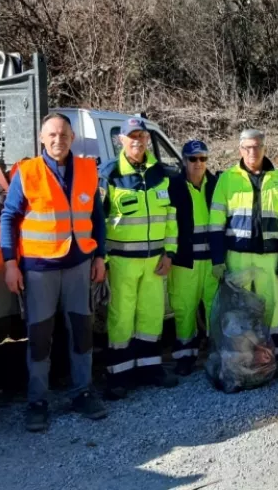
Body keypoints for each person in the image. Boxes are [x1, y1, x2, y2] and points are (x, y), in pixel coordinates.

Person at [0, 113, 107, 432]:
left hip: (79, 265)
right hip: (39, 269)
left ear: (73, 137)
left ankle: (83, 392)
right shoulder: (28, 172)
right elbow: (8, 217)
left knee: (82, 332)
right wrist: (9, 263)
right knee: (40, 337)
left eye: (64, 134)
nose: (58, 139)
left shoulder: (88, 170)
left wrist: (99, 256)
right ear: (42, 139)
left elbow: (97, 217)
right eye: (52, 135)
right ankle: (37, 402)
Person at [100, 118, 180, 399]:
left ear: (147, 139)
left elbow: (170, 216)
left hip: (155, 262)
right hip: (122, 262)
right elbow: (97, 220)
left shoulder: (160, 173)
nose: (137, 140)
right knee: (121, 318)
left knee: (151, 315)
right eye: (131, 136)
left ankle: (150, 368)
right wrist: (103, 260)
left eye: (141, 135)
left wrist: (170, 253)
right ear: (120, 140)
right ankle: (118, 376)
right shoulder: (110, 174)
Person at [209, 129, 278, 377]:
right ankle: (242, 362)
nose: (252, 152)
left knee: (271, 308)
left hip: (269, 257)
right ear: (240, 150)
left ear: (264, 148)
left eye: (256, 146)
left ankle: (274, 359)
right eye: (247, 147)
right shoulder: (227, 179)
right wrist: (218, 259)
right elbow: (215, 223)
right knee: (240, 311)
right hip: (237, 256)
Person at [166, 140, 219, 376]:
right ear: (184, 161)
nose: (198, 164)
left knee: (214, 308)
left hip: (211, 261)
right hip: (185, 261)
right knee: (184, 309)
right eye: (193, 159)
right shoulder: (173, 186)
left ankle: (217, 353)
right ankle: (184, 357)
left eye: (203, 159)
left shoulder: (216, 184)